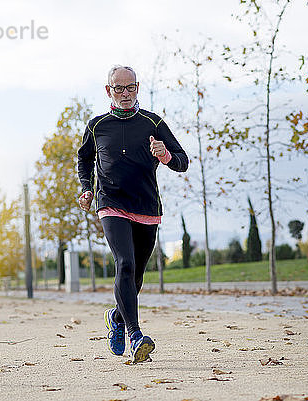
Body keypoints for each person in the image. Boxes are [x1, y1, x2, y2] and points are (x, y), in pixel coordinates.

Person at [77, 65, 188, 363]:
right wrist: (87, 188)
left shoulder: (153, 122)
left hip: (146, 206)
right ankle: (135, 335)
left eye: (131, 88)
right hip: (110, 203)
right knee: (124, 264)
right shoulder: (96, 126)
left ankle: (116, 316)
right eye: (119, 89)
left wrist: (165, 156)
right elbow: (84, 160)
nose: (125, 94)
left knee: (135, 277)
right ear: (108, 90)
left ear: (137, 88)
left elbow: (182, 161)